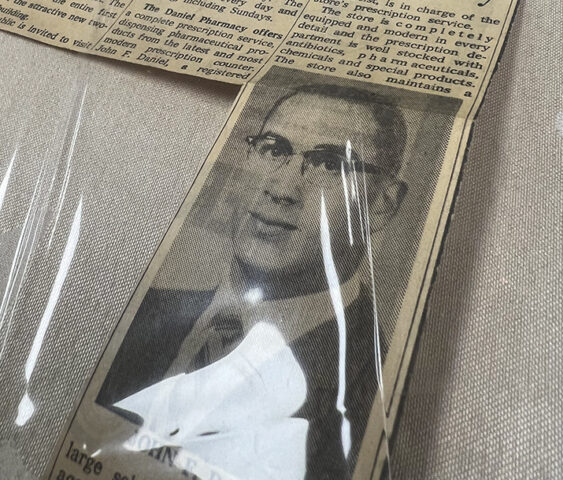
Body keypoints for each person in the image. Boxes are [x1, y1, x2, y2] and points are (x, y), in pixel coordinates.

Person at [98, 82, 408, 479]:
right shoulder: (141, 309)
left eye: (331, 165)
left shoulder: (376, 392)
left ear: (381, 204)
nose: (281, 190)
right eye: (274, 150)